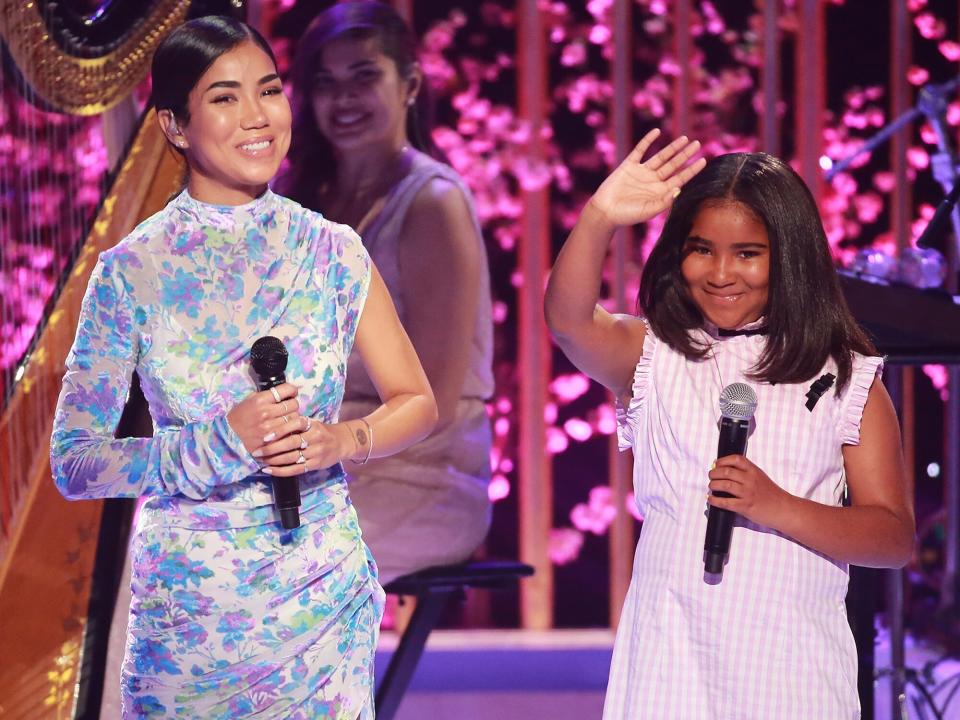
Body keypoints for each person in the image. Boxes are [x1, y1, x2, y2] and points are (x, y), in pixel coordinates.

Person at [50, 15, 437, 719]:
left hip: (319, 594)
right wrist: (220, 442)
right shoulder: (131, 272)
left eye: (269, 90)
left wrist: (341, 440)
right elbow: (76, 463)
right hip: (191, 615)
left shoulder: (332, 250)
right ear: (174, 126)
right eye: (225, 98)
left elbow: (415, 400)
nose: (257, 117)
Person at [544, 130, 915, 719]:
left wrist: (776, 505)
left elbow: (892, 538)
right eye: (700, 249)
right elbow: (567, 322)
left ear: (789, 256)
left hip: (794, 675)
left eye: (747, 253)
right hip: (671, 664)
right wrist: (599, 217)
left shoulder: (845, 378)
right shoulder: (654, 355)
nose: (721, 273)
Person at [279, 1, 494, 584]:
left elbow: (436, 405)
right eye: (325, 82)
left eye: (364, 76)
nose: (343, 99)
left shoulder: (432, 203)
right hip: (314, 463)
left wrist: (329, 442)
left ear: (411, 85)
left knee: (243, 557)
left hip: (421, 477)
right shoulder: (300, 201)